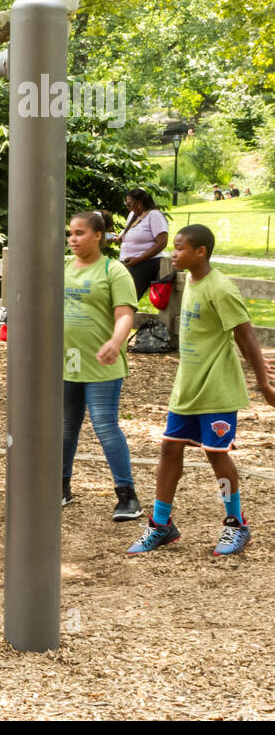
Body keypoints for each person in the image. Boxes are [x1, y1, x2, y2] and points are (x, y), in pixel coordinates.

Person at [127, 224, 275, 557]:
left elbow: (245, 335)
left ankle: (236, 524)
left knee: (215, 454)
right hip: (188, 388)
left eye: (179, 248)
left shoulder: (220, 288)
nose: (172, 253)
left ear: (200, 252)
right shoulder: (189, 281)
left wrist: (263, 382)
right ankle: (161, 524)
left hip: (217, 388)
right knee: (169, 449)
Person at [62, 210, 143, 519]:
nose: (73, 238)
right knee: (66, 427)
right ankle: (61, 487)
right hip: (67, 361)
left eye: (80, 233)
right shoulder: (63, 267)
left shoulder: (114, 271)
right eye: (71, 233)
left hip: (102, 364)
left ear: (99, 236)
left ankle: (127, 496)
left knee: (105, 425)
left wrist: (115, 342)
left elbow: (125, 315)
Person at [111, 187, 169, 300]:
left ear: (139, 202)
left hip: (146, 263)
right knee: (117, 296)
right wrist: (115, 237)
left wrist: (139, 259)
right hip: (130, 263)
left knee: (127, 299)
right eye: (126, 204)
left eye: (130, 204)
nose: (128, 208)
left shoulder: (154, 215)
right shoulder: (133, 216)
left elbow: (162, 243)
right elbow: (131, 237)